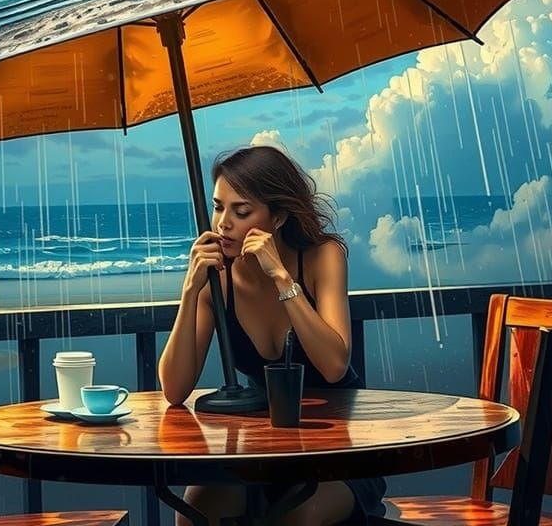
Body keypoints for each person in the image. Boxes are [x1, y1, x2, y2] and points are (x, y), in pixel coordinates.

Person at [158, 145, 386, 526]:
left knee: (298, 516)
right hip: (259, 449)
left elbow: (334, 365)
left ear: (278, 216)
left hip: (339, 447)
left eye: (241, 211)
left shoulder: (323, 256)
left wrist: (281, 277)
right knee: (196, 511)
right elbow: (174, 388)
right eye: (218, 207)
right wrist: (190, 290)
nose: (223, 224)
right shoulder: (218, 278)